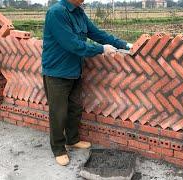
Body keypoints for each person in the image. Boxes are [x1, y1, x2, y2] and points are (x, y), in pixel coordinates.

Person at [41, 0, 132, 166]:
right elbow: (72, 44)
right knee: (59, 113)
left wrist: (124, 44)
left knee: (75, 108)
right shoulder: (56, 13)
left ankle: (72, 139)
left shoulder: (79, 12)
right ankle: (58, 148)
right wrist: (101, 49)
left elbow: (97, 33)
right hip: (57, 72)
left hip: (75, 70)